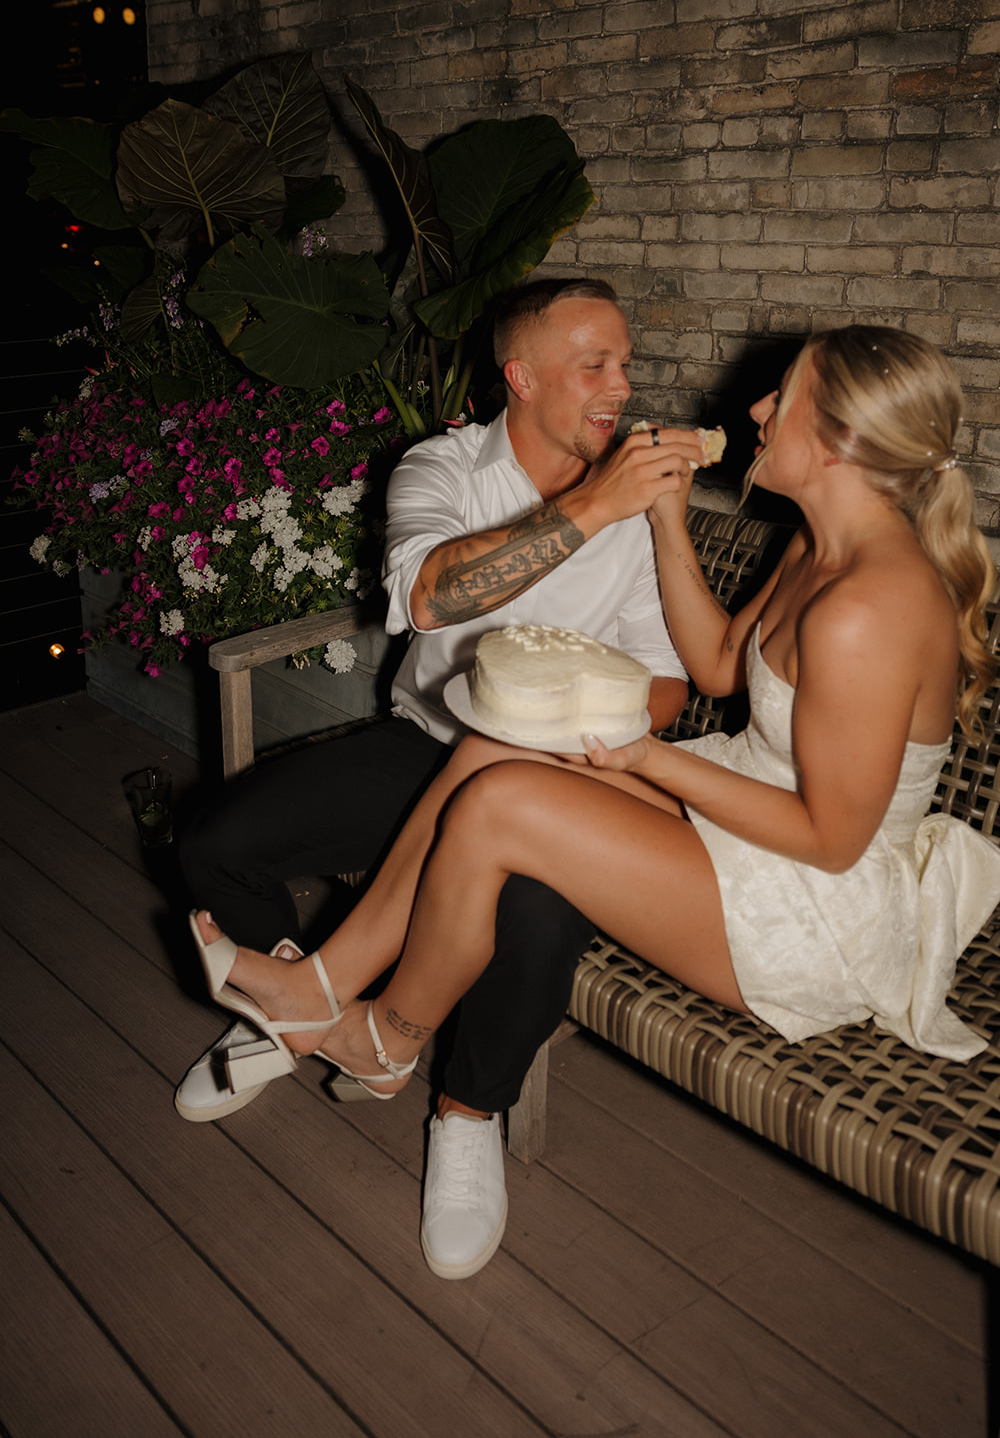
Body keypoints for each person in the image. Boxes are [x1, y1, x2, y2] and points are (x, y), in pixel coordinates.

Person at [187, 324, 1000, 1277]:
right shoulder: (818, 544)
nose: (753, 409)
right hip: (750, 818)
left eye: (780, 398)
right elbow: (713, 663)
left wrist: (640, 761)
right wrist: (666, 522)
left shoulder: (870, 605)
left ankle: (386, 1035)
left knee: (503, 804)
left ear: (832, 444)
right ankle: (325, 988)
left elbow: (829, 842)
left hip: (813, 906)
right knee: (497, 743)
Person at [176, 277, 691, 1277]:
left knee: (535, 917)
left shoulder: (638, 520)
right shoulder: (441, 467)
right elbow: (428, 592)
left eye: (623, 364)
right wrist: (591, 508)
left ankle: (465, 1110)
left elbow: (666, 684)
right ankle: (304, 1020)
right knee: (213, 844)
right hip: (421, 745)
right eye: (595, 364)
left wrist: (580, 728)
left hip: (560, 781)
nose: (620, 386)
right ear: (521, 376)